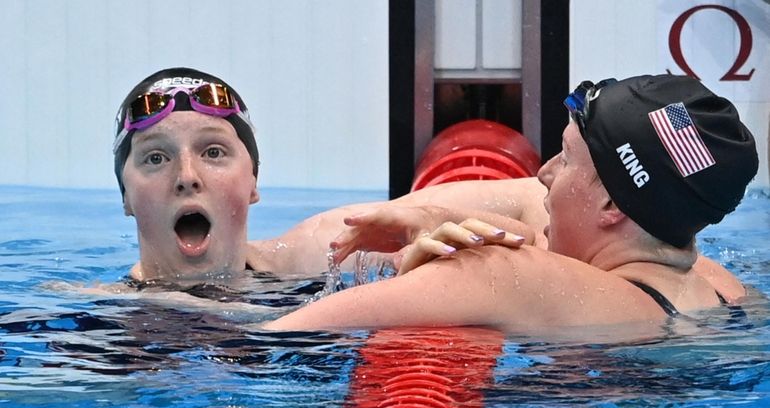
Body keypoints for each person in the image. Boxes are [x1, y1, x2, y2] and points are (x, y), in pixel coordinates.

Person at [263, 74, 758, 334]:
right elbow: (548, 250)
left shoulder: (500, 275)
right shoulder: (720, 287)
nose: (542, 174)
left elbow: (274, 339)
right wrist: (435, 219)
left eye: (564, 160)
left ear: (612, 204)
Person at [112, 67, 536, 282]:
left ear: (253, 182)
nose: (187, 176)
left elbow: (536, 196)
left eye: (214, 152)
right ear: (126, 196)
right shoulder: (96, 329)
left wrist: (429, 221)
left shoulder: (329, 248)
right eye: (155, 158)